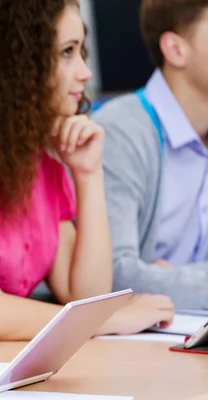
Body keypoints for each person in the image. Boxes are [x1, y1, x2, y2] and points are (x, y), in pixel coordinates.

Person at [0, 0, 175, 342]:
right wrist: (109, 318)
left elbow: (83, 294)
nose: (85, 72)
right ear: (16, 64)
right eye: (67, 52)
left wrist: (88, 174)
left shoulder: (42, 166)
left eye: (81, 51)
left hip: (0, 370)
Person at [92, 0, 208, 309]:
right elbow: (116, 277)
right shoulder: (118, 132)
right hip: (140, 345)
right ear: (175, 49)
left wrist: (180, 279)